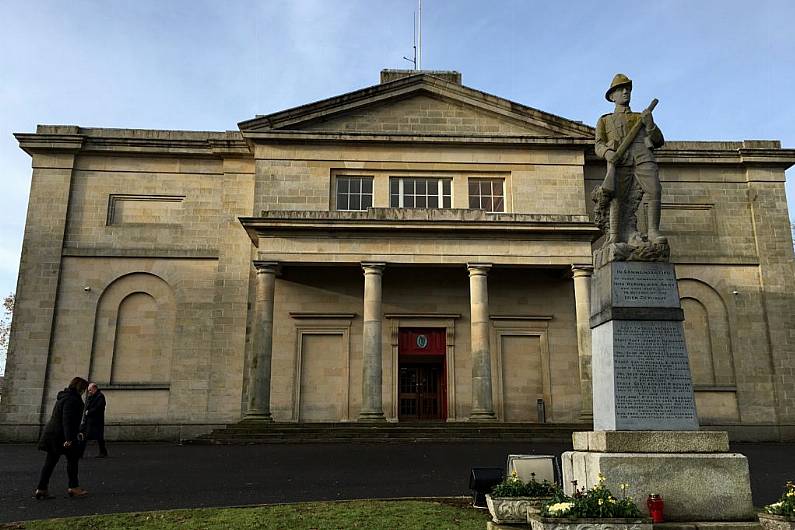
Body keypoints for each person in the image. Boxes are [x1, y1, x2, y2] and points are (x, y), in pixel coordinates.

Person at [594, 73, 666, 245]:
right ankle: (615, 235)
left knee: (655, 190)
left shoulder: (640, 117)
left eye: (627, 89)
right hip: (621, 161)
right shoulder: (605, 121)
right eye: (620, 89)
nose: (625, 92)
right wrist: (607, 153)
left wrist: (650, 124)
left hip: (643, 156)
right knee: (618, 197)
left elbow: (658, 141)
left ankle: (653, 232)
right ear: (612, 96)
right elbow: (598, 144)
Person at [34, 376, 90, 499]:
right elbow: (67, 420)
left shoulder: (64, 397)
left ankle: (41, 488)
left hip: (54, 434)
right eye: (84, 389)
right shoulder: (72, 399)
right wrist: (69, 438)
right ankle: (74, 487)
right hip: (62, 436)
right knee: (72, 461)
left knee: (50, 463)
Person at [81, 382, 108, 458]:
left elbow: (99, 408)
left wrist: (89, 412)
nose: (89, 391)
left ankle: (103, 452)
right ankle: (80, 453)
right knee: (85, 436)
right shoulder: (92, 396)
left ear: (94, 388)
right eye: (88, 390)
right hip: (90, 420)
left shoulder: (100, 396)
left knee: (98, 437)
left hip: (96, 421)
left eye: (90, 390)